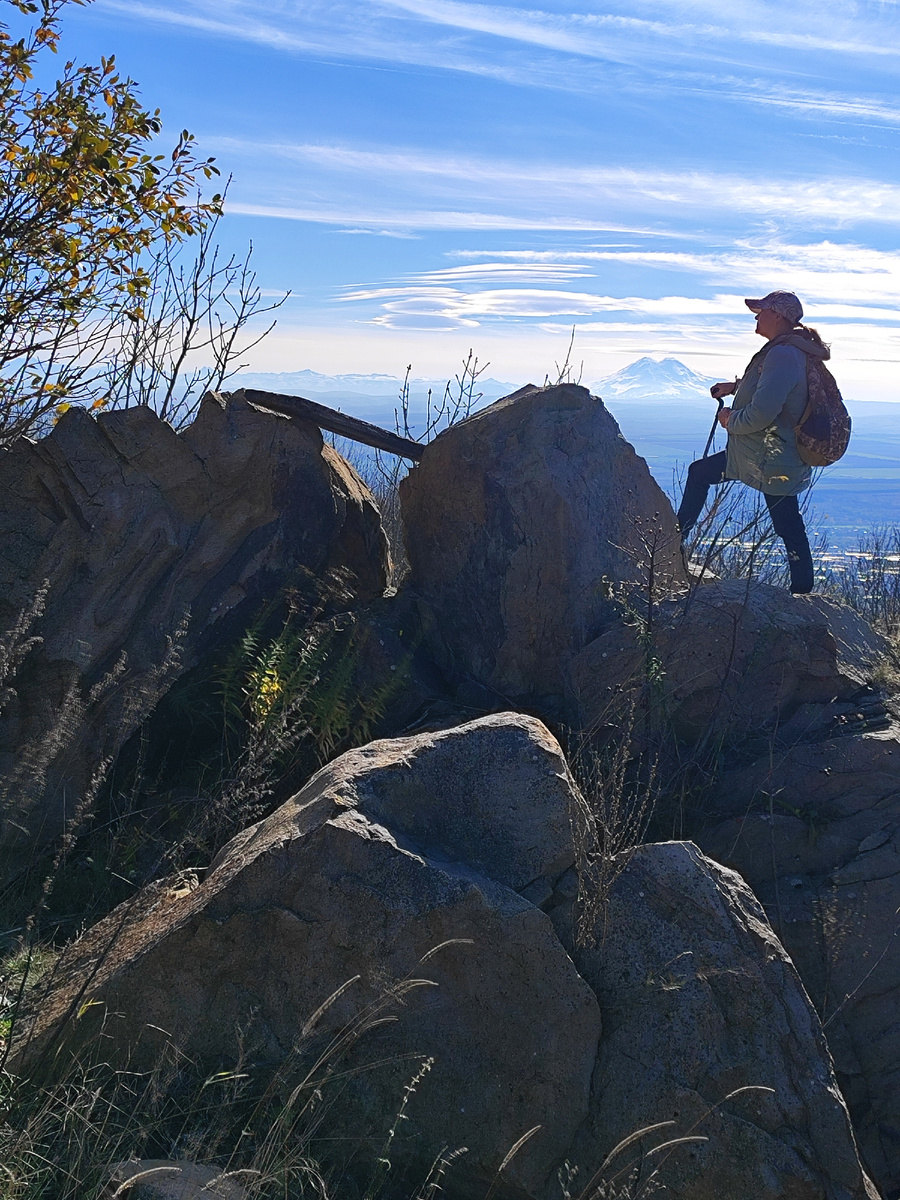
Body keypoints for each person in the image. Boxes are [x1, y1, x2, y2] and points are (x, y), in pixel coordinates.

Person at [676, 289, 830, 594]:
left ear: (778, 316)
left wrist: (731, 420)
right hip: (761, 453)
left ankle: (674, 541)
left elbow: (761, 412)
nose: (757, 317)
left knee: (786, 523)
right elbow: (772, 387)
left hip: (770, 456)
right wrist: (735, 387)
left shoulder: (784, 354)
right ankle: (802, 590)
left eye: (762, 311)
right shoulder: (787, 349)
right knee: (702, 474)